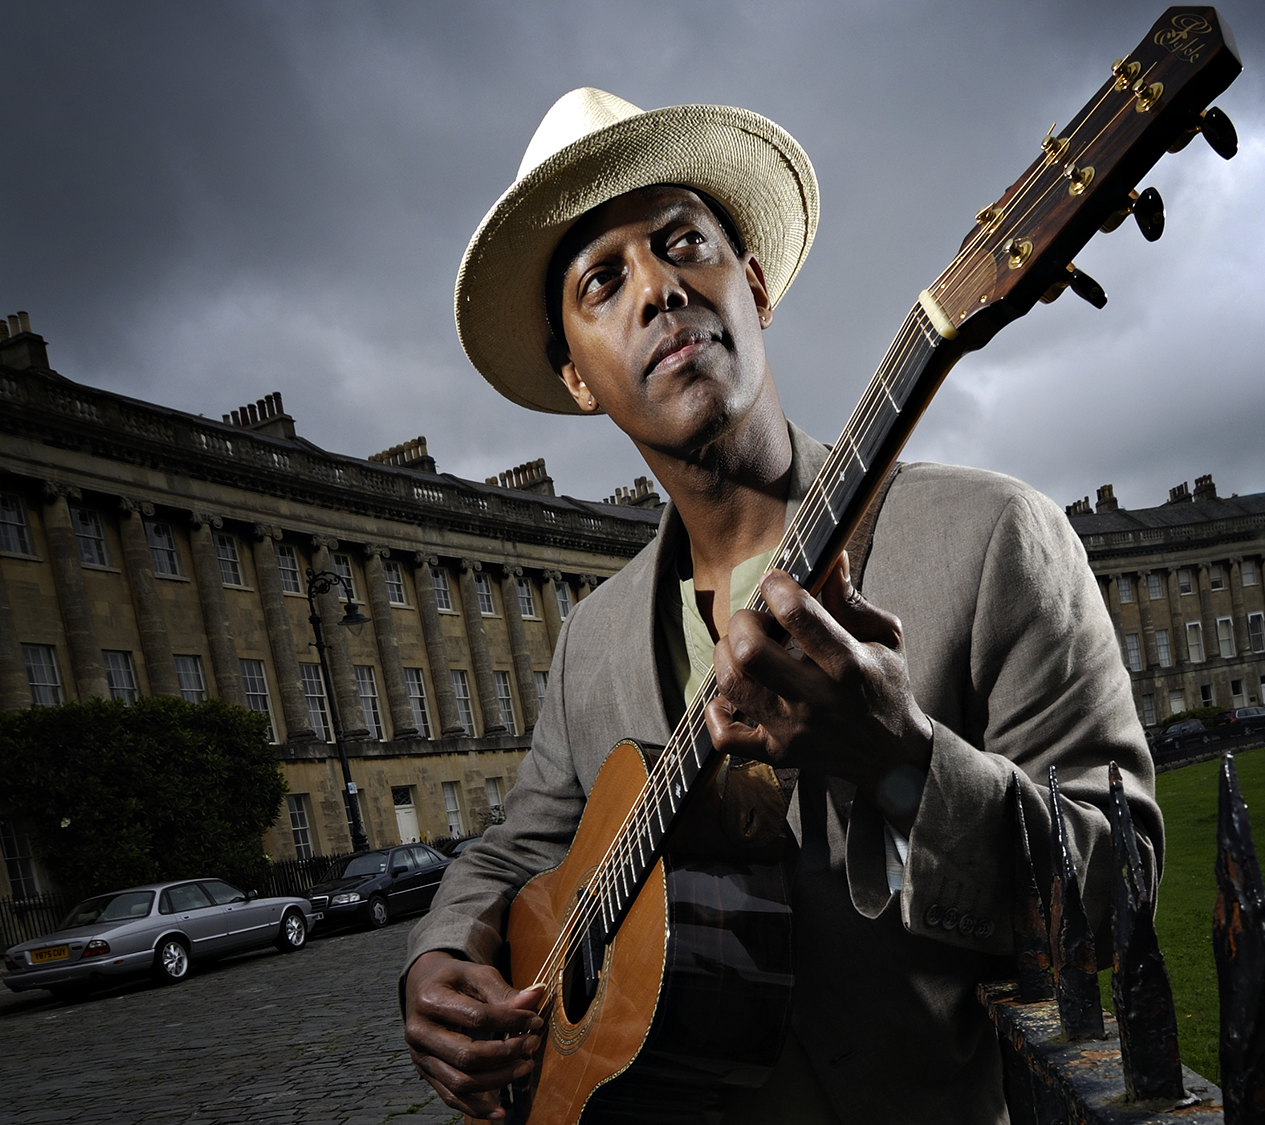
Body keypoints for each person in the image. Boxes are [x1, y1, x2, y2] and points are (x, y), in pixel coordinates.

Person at [401, 87, 1159, 1125]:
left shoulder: (994, 538)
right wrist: (437, 955)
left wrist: (899, 760)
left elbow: (1119, 899)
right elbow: (517, 850)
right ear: (577, 376)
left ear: (751, 285)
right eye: (602, 281)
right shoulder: (592, 640)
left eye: (683, 243)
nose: (659, 288)